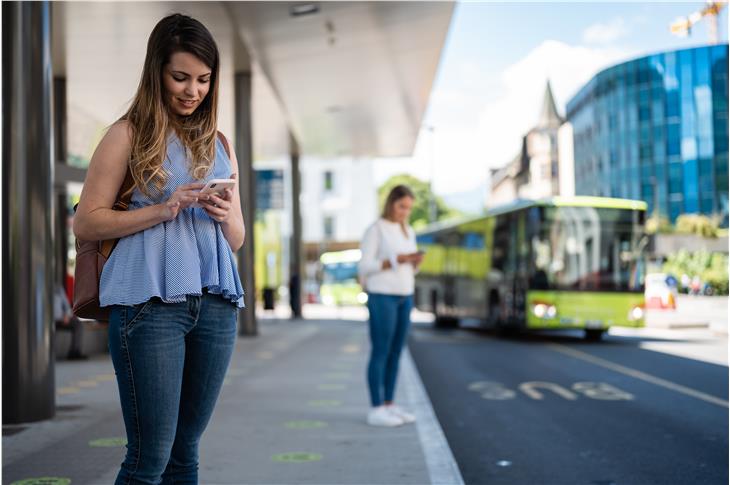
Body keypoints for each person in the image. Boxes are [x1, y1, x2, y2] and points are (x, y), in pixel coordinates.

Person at [72, 14, 245, 483]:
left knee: (186, 453)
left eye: (204, 80)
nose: (193, 90)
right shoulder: (125, 135)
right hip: (148, 306)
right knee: (149, 457)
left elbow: (236, 239)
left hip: (215, 306)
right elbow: (86, 220)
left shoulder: (220, 143)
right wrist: (164, 209)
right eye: (181, 77)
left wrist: (223, 213)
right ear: (156, 73)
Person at [358, 185, 424, 427]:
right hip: (381, 296)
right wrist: (398, 259)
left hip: (405, 296)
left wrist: (415, 261)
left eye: (408, 208)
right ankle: (376, 408)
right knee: (380, 351)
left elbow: (409, 269)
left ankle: (389, 404)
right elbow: (364, 268)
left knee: (397, 352)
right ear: (391, 204)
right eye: (401, 206)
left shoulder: (408, 231)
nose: (405, 212)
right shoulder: (375, 230)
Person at [53, 282, 86, 360]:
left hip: (61, 319)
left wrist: (67, 315)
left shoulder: (58, 289)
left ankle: (75, 352)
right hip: (48, 321)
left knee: (78, 324)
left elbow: (67, 306)